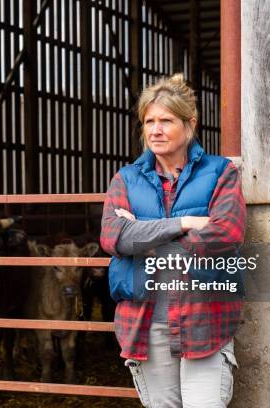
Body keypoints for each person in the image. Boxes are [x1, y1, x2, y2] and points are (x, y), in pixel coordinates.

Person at [100, 73, 246, 407]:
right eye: (149, 121)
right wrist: (184, 222)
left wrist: (144, 235)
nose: (155, 130)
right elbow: (113, 237)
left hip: (204, 321)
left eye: (166, 120)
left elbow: (225, 234)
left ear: (189, 123)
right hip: (146, 325)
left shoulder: (220, 173)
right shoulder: (126, 179)